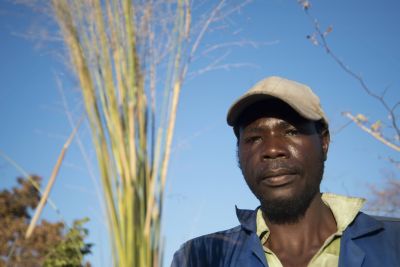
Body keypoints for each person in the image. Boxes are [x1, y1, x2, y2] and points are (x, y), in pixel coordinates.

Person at [170, 76, 400, 267]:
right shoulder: (200, 257)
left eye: (291, 131)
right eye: (254, 138)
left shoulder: (393, 242)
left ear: (324, 142)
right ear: (238, 152)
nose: (271, 149)